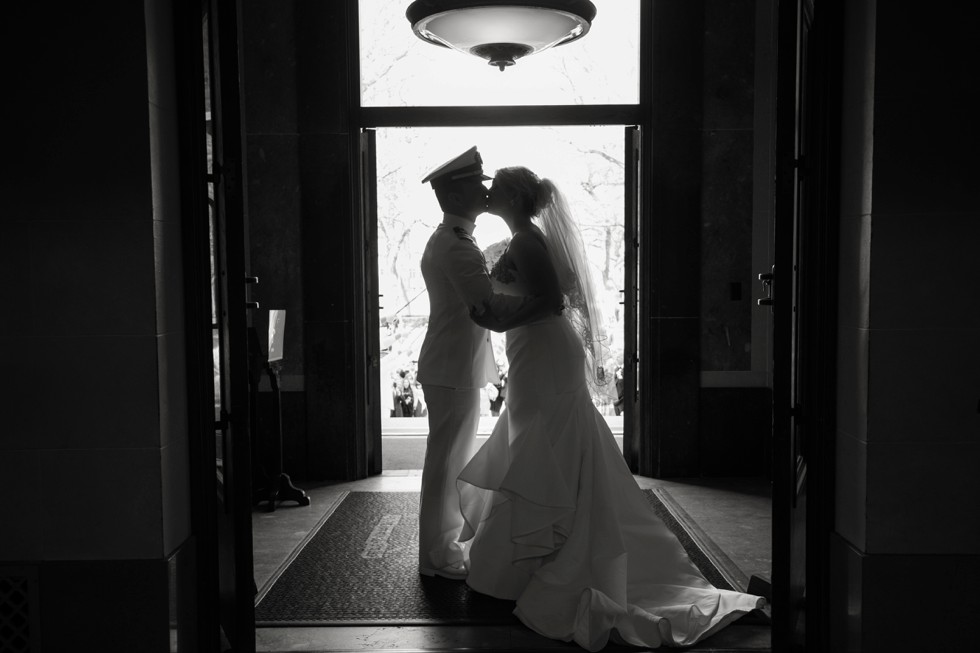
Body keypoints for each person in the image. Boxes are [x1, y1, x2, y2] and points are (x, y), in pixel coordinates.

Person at [459, 166, 765, 651]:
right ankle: (536, 547)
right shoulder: (527, 239)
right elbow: (548, 297)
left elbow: (553, 301)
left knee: (545, 438)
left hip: (543, 351)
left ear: (514, 197)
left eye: (495, 187)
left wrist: (498, 322)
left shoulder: (525, 242)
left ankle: (554, 553)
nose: (487, 192)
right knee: (539, 437)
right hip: (535, 351)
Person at [415, 148, 552, 580]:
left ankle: (442, 548)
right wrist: (544, 308)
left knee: (451, 460)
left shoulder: (456, 239)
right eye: (477, 184)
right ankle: (436, 556)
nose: (485, 189)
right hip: (451, 367)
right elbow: (486, 307)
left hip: (453, 365)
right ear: (455, 197)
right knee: (445, 464)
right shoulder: (456, 246)